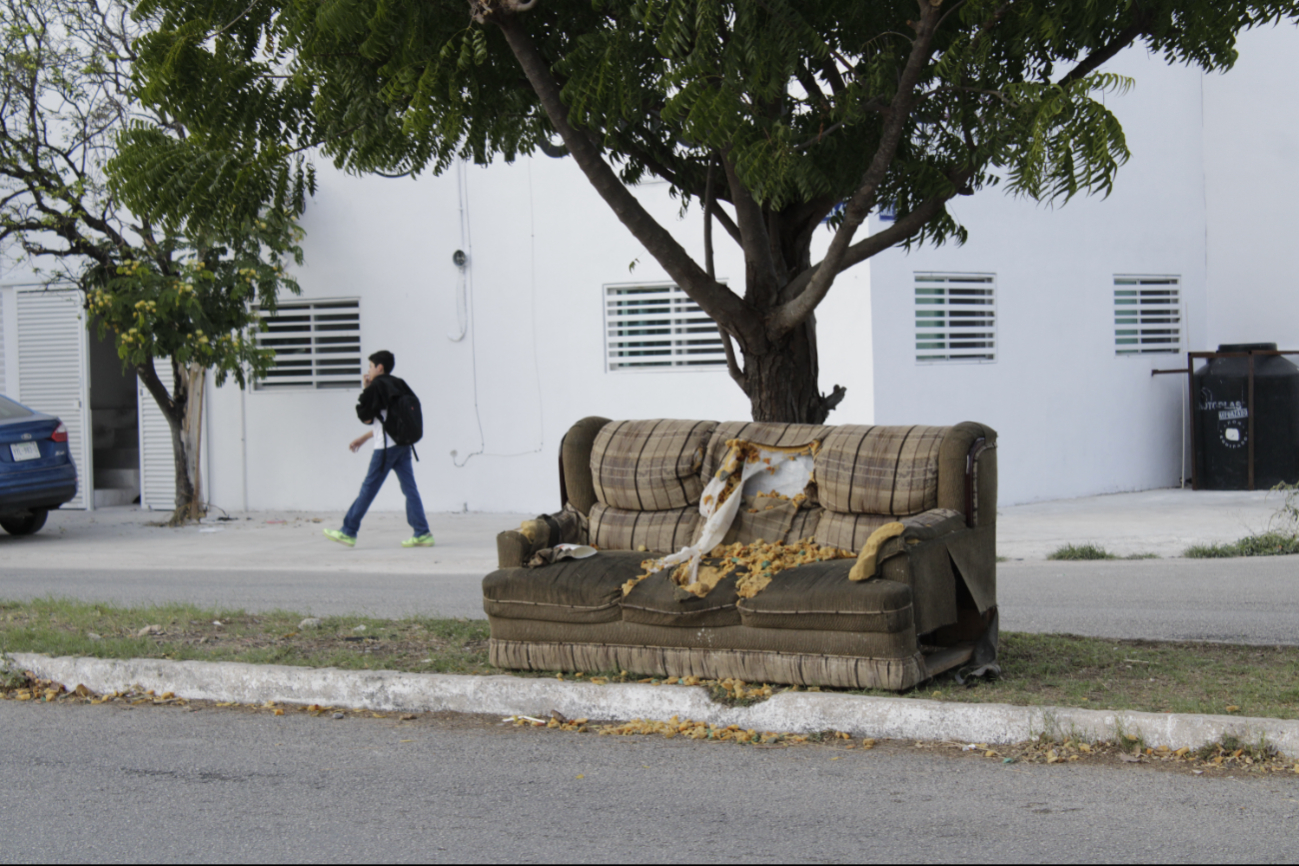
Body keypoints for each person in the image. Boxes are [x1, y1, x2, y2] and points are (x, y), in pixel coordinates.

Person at [323, 350, 434, 548]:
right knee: (410, 489)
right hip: (403, 445)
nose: (369, 370)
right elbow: (387, 420)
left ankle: (348, 531)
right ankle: (422, 533)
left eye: (370, 366)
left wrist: (367, 389)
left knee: (368, 489)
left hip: (385, 449)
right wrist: (364, 438)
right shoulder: (399, 383)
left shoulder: (377, 386)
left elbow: (367, 417)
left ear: (379, 367)